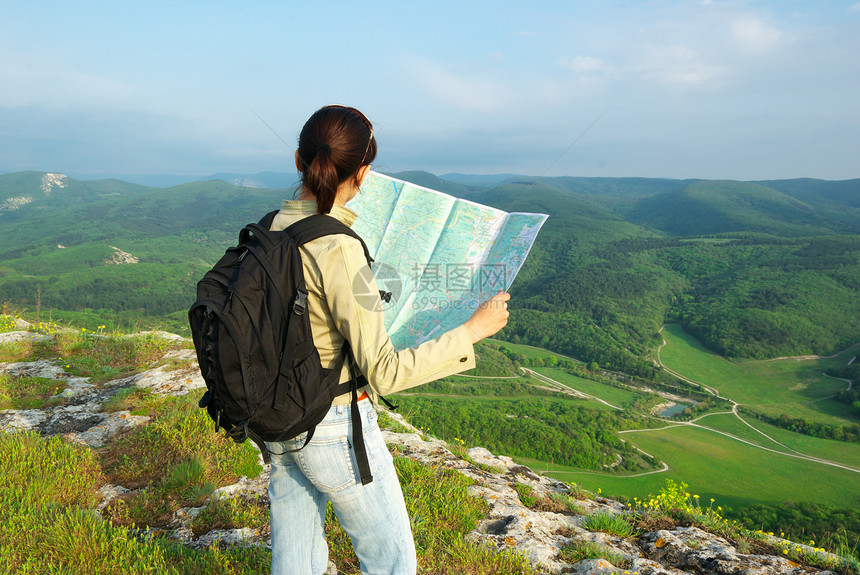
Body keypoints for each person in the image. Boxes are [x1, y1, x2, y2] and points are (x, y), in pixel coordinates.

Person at [265, 105, 511, 575]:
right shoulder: (338, 247)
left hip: (278, 414)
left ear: (299, 160)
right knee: (392, 562)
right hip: (332, 421)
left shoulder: (274, 225)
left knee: (295, 557)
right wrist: (472, 331)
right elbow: (386, 372)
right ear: (364, 173)